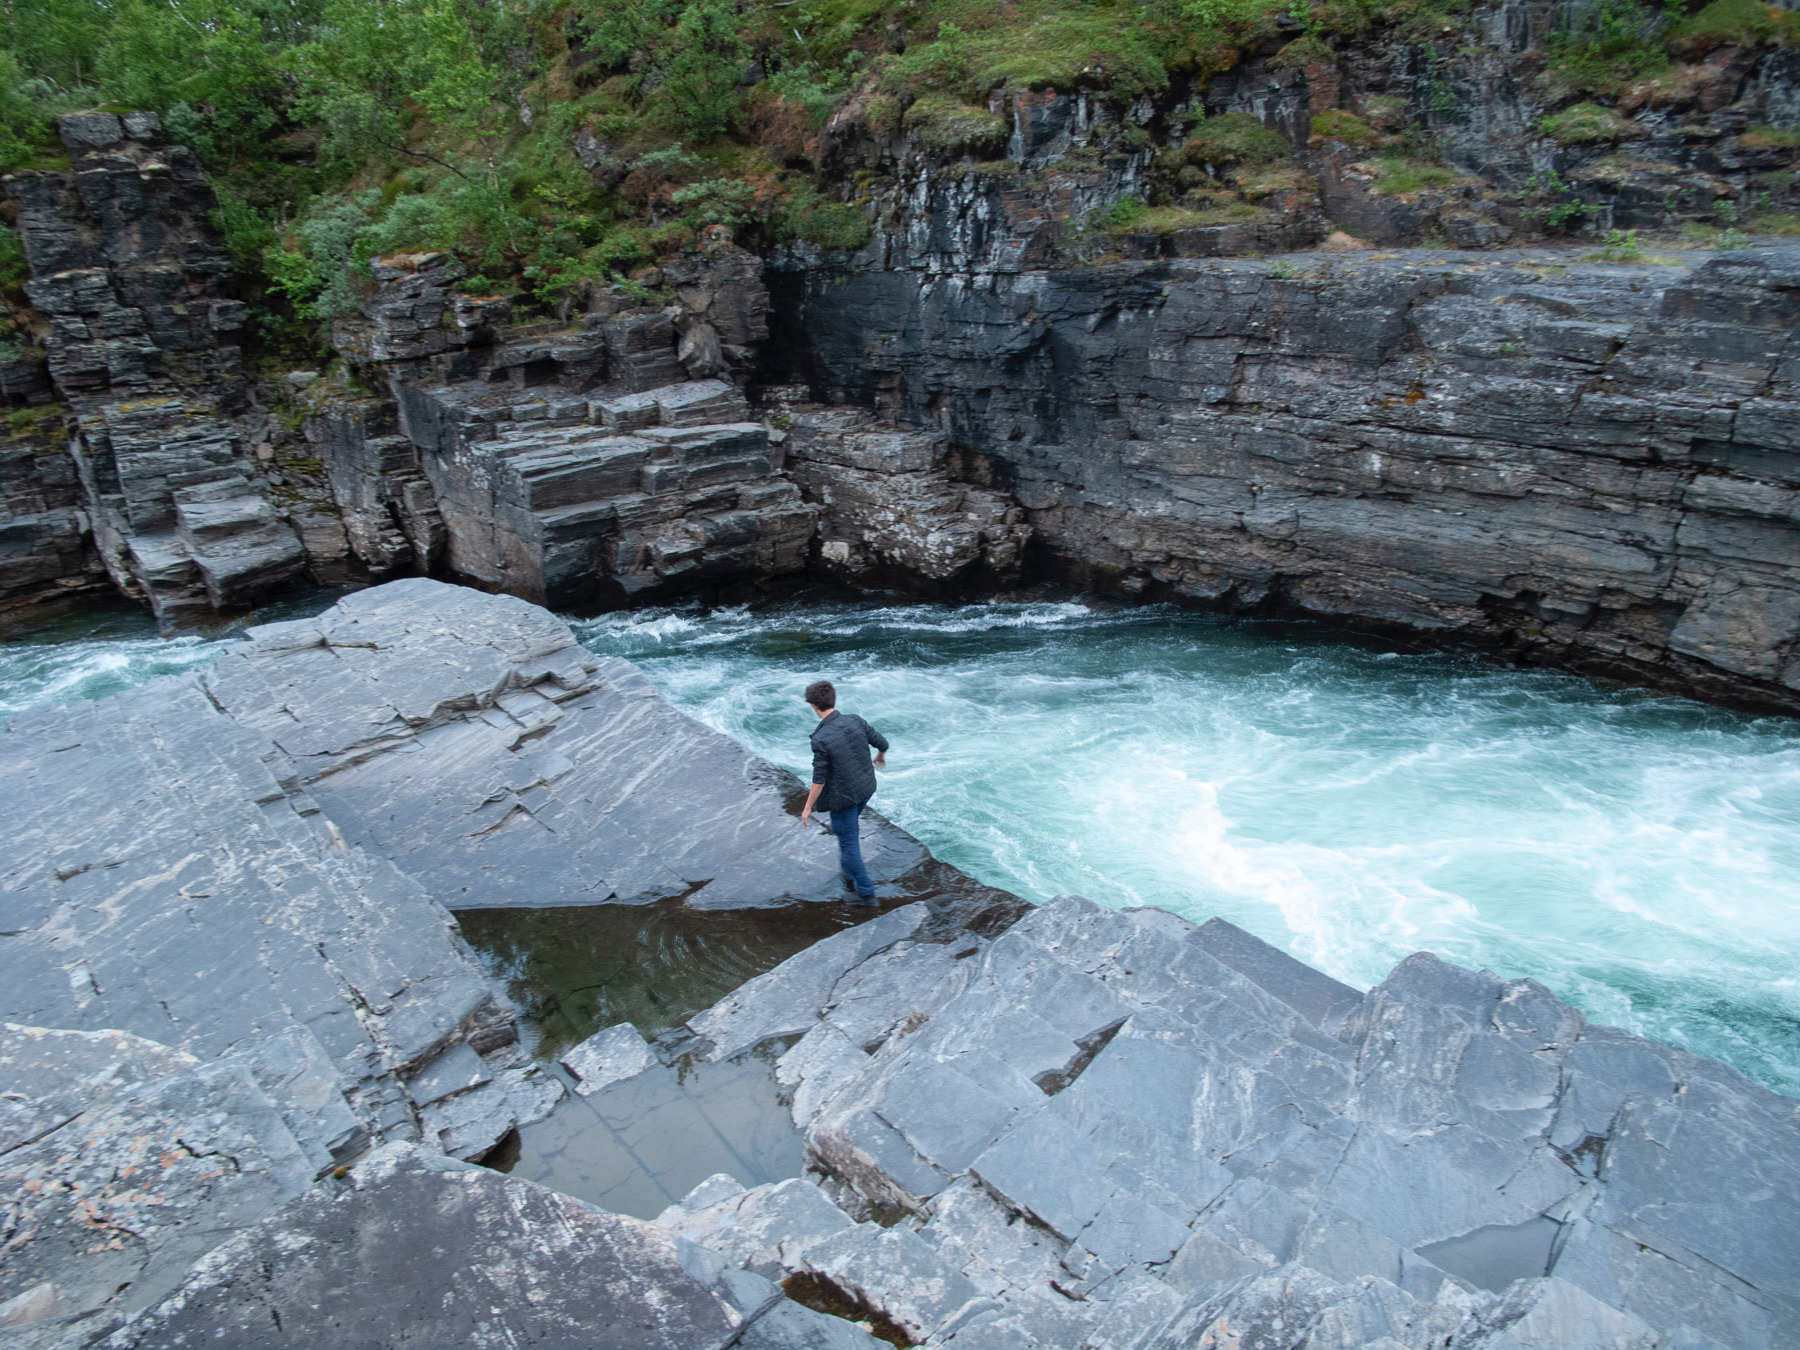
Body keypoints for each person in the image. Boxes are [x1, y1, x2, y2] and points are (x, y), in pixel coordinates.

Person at [799, 679, 888, 904]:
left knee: (848, 845)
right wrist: (880, 755)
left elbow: (819, 779)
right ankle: (849, 868)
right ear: (833, 700)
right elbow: (881, 742)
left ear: (814, 706)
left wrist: (808, 807)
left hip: (844, 798)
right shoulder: (855, 720)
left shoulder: (820, 739)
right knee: (846, 832)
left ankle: (866, 893)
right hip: (866, 787)